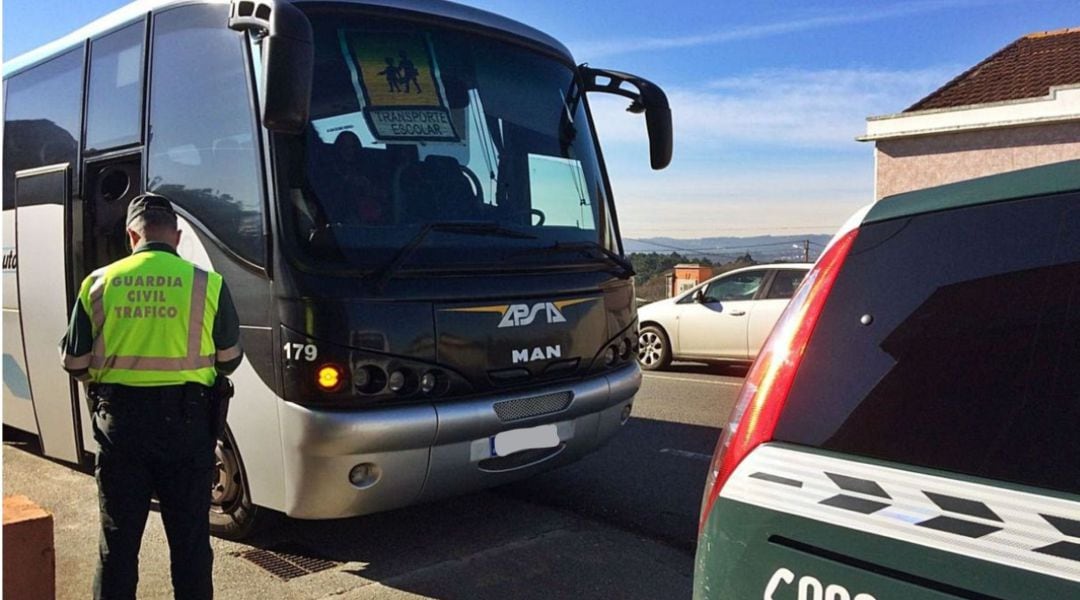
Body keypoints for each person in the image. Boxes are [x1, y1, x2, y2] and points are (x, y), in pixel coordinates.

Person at [59, 193, 243, 600]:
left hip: (120, 428)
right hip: (188, 427)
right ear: (176, 237)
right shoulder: (207, 283)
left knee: (118, 544)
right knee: (191, 546)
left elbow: (74, 364)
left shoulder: (98, 283)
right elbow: (229, 360)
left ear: (131, 236)